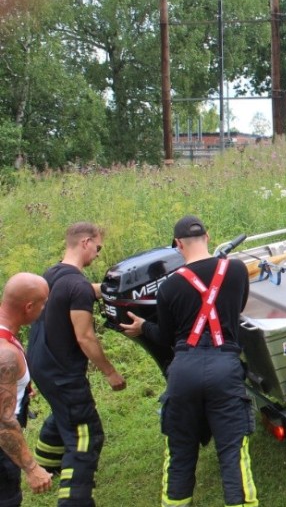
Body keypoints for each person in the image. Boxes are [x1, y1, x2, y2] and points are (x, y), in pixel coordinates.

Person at [120, 215, 257, 507]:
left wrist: (142, 327)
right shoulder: (236, 270)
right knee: (233, 452)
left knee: (180, 451)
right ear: (207, 236)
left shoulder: (168, 287)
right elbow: (238, 307)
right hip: (224, 367)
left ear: (178, 245)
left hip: (184, 371)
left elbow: (166, 336)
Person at [27, 222, 125, 506]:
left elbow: (76, 291)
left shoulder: (53, 274)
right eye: (97, 247)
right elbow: (85, 337)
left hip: (41, 365)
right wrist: (110, 372)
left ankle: (47, 463)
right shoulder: (77, 285)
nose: (98, 254)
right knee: (87, 436)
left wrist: (107, 289)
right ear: (85, 242)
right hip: (63, 374)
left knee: (63, 413)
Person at [0, 273, 54, 505]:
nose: (44, 309)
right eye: (43, 303)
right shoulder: (5, 355)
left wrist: (20, 391)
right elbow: (2, 424)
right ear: (29, 306)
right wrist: (32, 468)